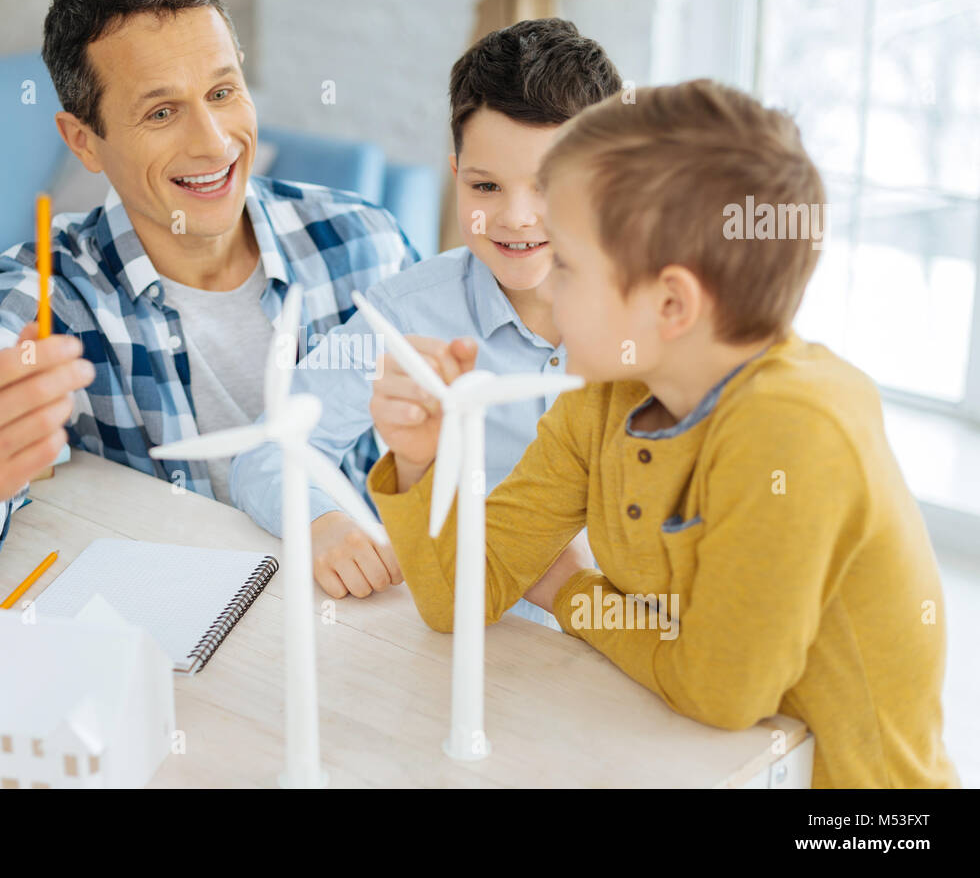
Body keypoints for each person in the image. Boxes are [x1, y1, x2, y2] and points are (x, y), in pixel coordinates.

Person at [366, 79, 959, 788]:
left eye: (569, 266)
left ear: (671, 302)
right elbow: (456, 601)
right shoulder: (606, 394)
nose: (545, 289)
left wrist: (575, 594)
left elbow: (722, 691)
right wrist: (420, 457)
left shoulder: (796, 429)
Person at [0, 0, 415, 571]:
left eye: (222, 92)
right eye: (162, 113)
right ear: (83, 141)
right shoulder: (43, 297)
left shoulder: (366, 242)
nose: (214, 143)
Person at [230, 19, 619, 623]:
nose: (515, 218)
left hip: (633, 640)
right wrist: (323, 521)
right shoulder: (408, 313)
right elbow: (267, 450)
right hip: (474, 634)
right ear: (455, 172)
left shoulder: (661, 312)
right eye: (485, 186)